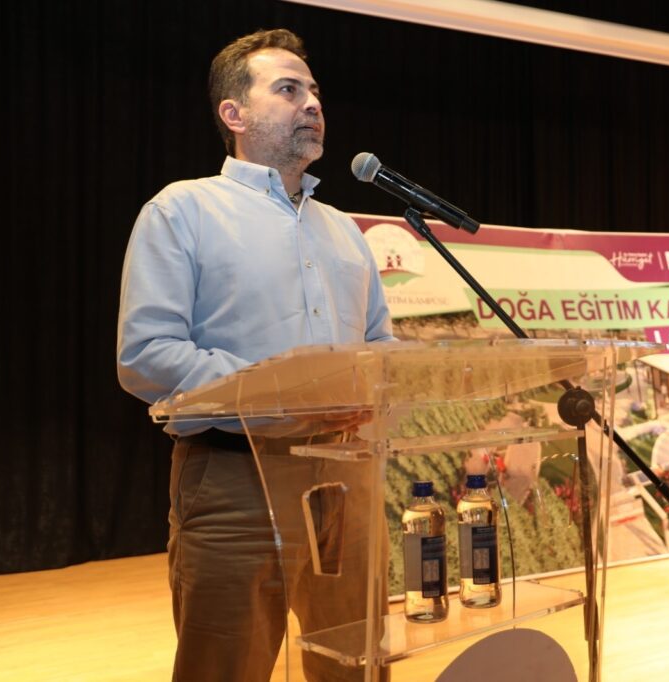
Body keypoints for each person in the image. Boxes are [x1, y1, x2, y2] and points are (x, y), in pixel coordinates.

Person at [117, 29, 393, 681]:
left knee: (357, 665)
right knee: (226, 666)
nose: (313, 104)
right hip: (233, 479)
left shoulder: (343, 231)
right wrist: (283, 394)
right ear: (234, 115)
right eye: (289, 90)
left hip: (344, 482)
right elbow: (146, 355)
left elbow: (379, 347)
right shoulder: (182, 211)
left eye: (316, 91)